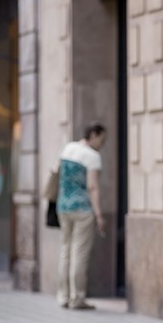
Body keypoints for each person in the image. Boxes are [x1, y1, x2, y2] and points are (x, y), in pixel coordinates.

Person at [56, 122, 106, 309]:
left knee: (65, 252)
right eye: (102, 139)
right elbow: (93, 187)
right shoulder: (93, 157)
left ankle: (63, 296)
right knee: (79, 254)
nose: (102, 144)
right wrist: (99, 215)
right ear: (93, 135)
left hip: (63, 206)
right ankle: (77, 297)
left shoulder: (68, 148)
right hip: (82, 209)